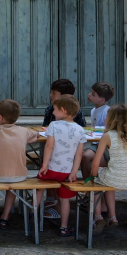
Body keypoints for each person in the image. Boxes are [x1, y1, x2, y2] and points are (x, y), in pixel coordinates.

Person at [0, 99, 38, 230]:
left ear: (0, 117)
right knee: (12, 188)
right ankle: (5, 218)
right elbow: (35, 135)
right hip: (19, 176)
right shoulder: (24, 131)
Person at [38, 94, 87, 237]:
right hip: (67, 173)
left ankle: (33, 211)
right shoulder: (80, 129)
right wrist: (74, 172)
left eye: (55, 109)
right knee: (65, 200)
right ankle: (64, 227)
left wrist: (44, 165)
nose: (52, 112)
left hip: (52, 169)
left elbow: (49, 146)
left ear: (63, 110)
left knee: (39, 185)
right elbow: (79, 154)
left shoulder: (53, 125)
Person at [88, 104, 127, 231]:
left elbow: (96, 162)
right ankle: (112, 217)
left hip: (114, 177)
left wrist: (93, 175)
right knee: (109, 177)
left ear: (111, 119)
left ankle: (98, 216)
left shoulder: (108, 136)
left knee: (98, 182)